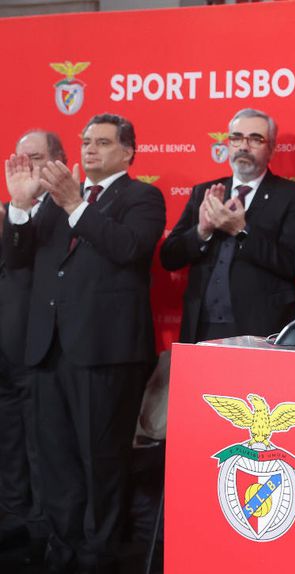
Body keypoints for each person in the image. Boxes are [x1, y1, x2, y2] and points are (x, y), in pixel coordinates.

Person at [3, 113, 165, 572]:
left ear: (128, 152)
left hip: (105, 355)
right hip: (49, 350)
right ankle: (63, 546)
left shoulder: (143, 197)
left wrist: (77, 203)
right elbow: (18, 261)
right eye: (86, 141)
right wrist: (18, 208)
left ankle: (100, 552)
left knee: (102, 462)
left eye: (102, 143)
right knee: (56, 461)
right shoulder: (53, 202)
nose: (89, 149)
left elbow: (128, 249)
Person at [160, 108, 295, 343]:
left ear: (271, 149)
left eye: (255, 139)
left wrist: (241, 231)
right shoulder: (205, 192)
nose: (244, 146)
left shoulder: (293, 196)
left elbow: (294, 264)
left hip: (260, 327)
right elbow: (169, 257)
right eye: (236, 138)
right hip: (202, 326)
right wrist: (202, 232)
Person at [0, 130, 65, 562]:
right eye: (19, 158)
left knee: (41, 442)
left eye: (36, 157)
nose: (26, 166)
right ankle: (13, 516)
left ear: (58, 160)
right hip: (4, 344)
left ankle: (42, 524)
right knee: (8, 439)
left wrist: (22, 208)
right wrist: (15, 209)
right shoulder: (9, 212)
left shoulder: (67, 211)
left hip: (42, 344)